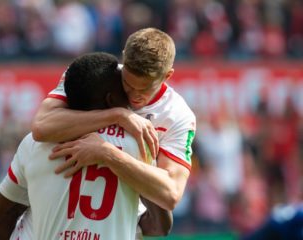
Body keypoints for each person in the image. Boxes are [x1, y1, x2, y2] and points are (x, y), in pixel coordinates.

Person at [0, 52, 172, 240]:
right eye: (124, 89)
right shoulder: (137, 143)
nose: (130, 97)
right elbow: (158, 226)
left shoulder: (34, 143)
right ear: (111, 99)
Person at [32, 28, 196, 213]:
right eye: (127, 83)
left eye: (145, 89)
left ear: (167, 75)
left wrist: (107, 154)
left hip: (124, 224)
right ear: (124, 58)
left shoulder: (177, 115)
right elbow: (41, 127)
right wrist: (118, 115)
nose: (134, 96)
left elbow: (171, 194)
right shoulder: (93, 74)